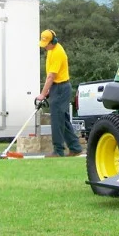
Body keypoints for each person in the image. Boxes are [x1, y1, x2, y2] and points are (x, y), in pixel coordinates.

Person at [36, 29, 83, 157]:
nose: (45, 46)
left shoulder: (58, 52)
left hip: (61, 87)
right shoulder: (51, 50)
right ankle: (75, 147)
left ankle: (58, 151)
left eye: (47, 44)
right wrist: (49, 91)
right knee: (63, 119)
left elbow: (51, 76)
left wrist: (42, 94)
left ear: (54, 41)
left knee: (57, 119)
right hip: (57, 87)